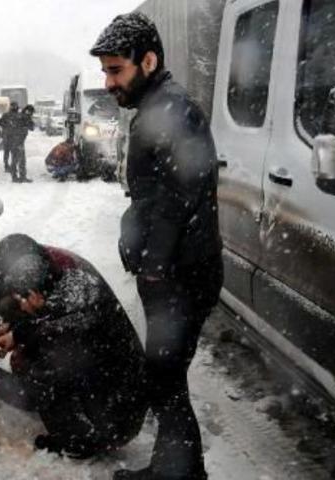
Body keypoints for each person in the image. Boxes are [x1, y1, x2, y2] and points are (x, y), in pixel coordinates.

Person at [90, 12, 223, 480]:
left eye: (115, 70)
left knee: (164, 380)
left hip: (181, 276)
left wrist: (152, 265)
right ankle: (173, 470)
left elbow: (178, 198)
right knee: (166, 379)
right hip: (173, 273)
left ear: (148, 60)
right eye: (105, 71)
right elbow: (153, 198)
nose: (107, 82)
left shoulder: (170, 109)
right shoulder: (156, 107)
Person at [0, 245, 147, 459]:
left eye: (19, 299)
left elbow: (33, 395)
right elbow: (38, 315)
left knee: (42, 384)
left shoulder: (64, 329)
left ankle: (80, 443)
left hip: (115, 418)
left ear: (32, 295)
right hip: (123, 390)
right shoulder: (52, 273)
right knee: (36, 360)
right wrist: (12, 334)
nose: (18, 304)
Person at [8, 105, 35, 183]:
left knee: (16, 159)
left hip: (16, 140)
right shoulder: (24, 117)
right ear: (29, 111)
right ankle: (18, 177)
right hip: (17, 141)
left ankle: (17, 176)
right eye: (31, 113)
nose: (31, 114)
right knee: (19, 160)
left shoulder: (20, 116)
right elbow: (31, 127)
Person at [0, 103, 19, 173]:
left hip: (9, 136)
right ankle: (11, 166)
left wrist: (6, 127)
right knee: (13, 153)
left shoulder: (6, 115)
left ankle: (8, 166)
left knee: (8, 153)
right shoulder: (17, 115)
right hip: (12, 137)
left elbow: (0, 122)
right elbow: (1, 122)